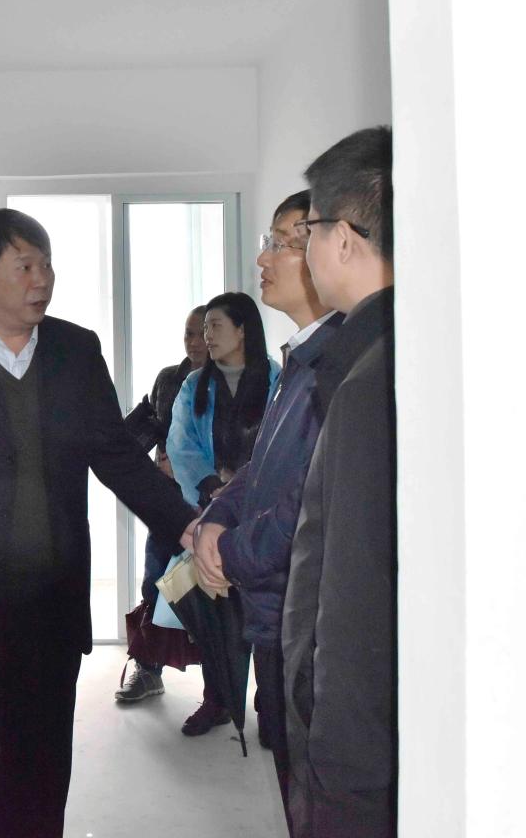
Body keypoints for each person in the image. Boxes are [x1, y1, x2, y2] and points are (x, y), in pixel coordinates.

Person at [0, 208, 197, 838]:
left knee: (40, 768)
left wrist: (185, 526)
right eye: (24, 266)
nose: (41, 279)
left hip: (51, 606)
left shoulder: (77, 349)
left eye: (46, 265)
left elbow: (117, 456)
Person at [191, 190, 341, 830]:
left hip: (302, 618)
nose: (264, 258)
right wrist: (216, 515)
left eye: (281, 242)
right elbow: (263, 468)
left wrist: (224, 550)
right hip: (273, 609)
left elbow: (305, 503)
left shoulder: (336, 363)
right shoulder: (301, 358)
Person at [280, 127, 396, 837]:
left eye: (310, 231)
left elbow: (354, 587)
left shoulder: (367, 379)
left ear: (345, 240)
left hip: (355, 747)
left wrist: (338, 759)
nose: (306, 252)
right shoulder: (391, 346)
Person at [166, 290, 281, 736]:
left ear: (242, 330)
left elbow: (284, 447)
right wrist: (214, 488)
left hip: (267, 518)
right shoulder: (194, 386)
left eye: (215, 326)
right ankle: (218, 701)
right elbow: (181, 446)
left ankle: (271, 708)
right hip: (212, 514)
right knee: (217, 616)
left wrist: (247, 488)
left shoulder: (277, 380)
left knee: (268, 615)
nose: (206, 336)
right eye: (204, 327)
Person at [115, 305, 207, 704]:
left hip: (212, 505)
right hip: (168, 505)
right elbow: (144, 429)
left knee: (212, 596)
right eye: (188, 333)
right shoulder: (170, 379)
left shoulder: (233, 381)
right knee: (155, 582)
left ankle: (219, 693)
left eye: (202, 332)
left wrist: (184, 465)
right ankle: (148, 669)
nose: (194, 342)